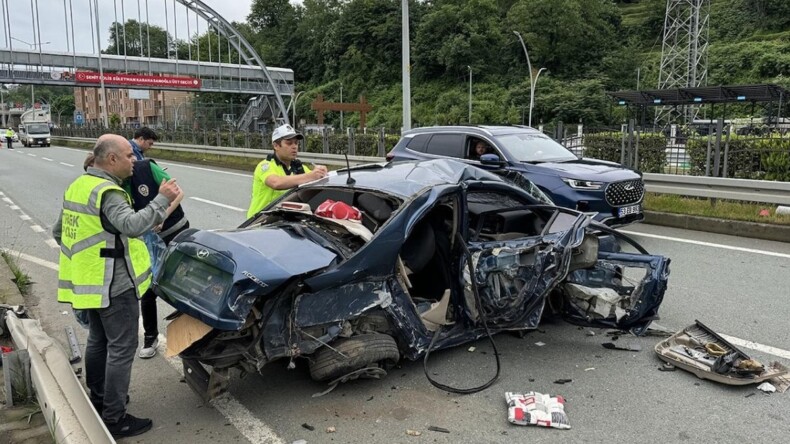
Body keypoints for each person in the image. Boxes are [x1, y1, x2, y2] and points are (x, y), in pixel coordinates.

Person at [52, 134, 182, 438]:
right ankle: (114, 417)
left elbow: (59, 232)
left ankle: (97, 401)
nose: (134, 160)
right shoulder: (109, 192)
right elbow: (133, 226)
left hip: (89, 281)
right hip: (114, 284)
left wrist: (88, 259)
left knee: (98, 340)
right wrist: (162, 199)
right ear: (112, 159)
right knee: (122, 348)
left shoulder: (79, 185)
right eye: (128, 156)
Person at [83, 151, 190, 359]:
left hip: (175, 232)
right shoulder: (112, 188)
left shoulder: (146, 168)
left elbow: (178, 193)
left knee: (183, 283)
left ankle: (191, 334)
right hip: (146, 240)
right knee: (148, 286)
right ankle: (151, 336)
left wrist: (162, 217)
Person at [246, 124, 328, 218]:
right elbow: (276, 183)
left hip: (281, 220)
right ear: (276, 145)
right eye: (289, 143)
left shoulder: (299, 167)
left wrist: (321, 173)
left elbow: (316, 180)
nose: (294, 147)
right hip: (258, 221)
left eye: (296, 143)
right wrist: (311, 176)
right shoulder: (265, 166)